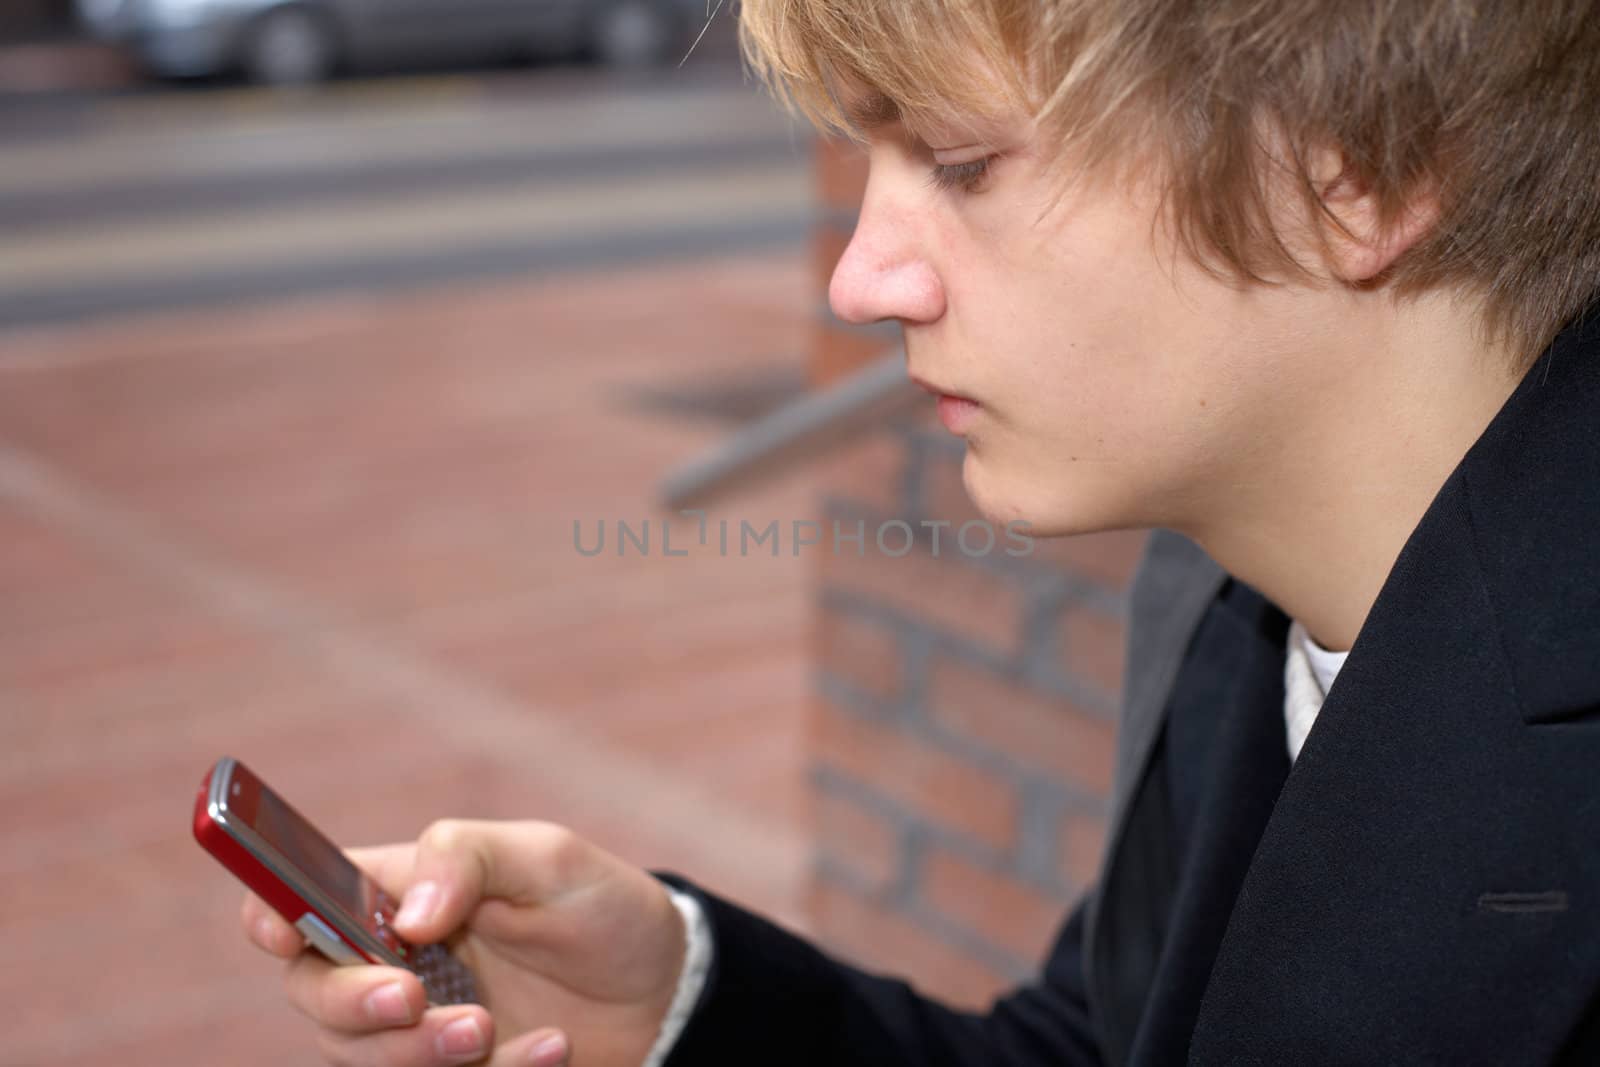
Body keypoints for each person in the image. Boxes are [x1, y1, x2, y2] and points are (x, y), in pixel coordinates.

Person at [241, 0, 1600, 1063]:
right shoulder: (1218, 594)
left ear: (1358, 169)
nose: (859, 278)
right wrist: (674, 1002)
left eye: (958, 161)